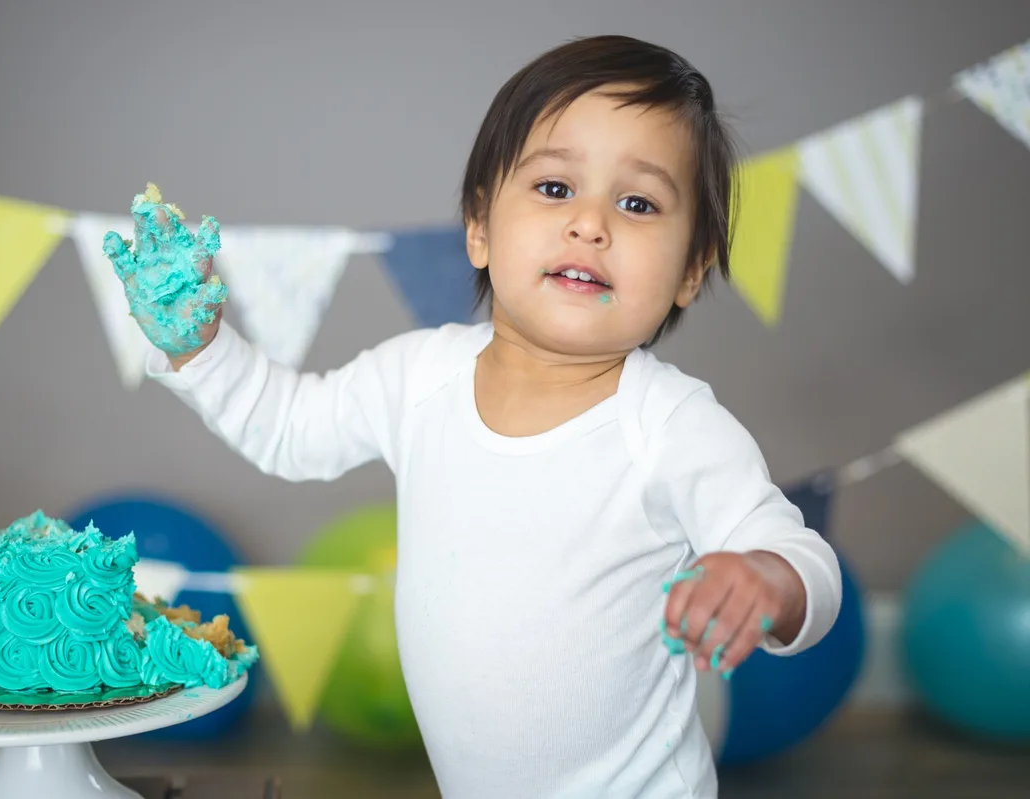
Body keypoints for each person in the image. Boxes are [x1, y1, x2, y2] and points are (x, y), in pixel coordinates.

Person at [104, 34, 842, 799]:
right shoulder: (420, 377)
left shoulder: (668, 423)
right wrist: (199, 347)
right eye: (556, 189)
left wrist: (766, 574)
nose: (591, 223)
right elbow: (292, 430)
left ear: (691, 270)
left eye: (638, 203)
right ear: (480, 226)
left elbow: (803, 554)